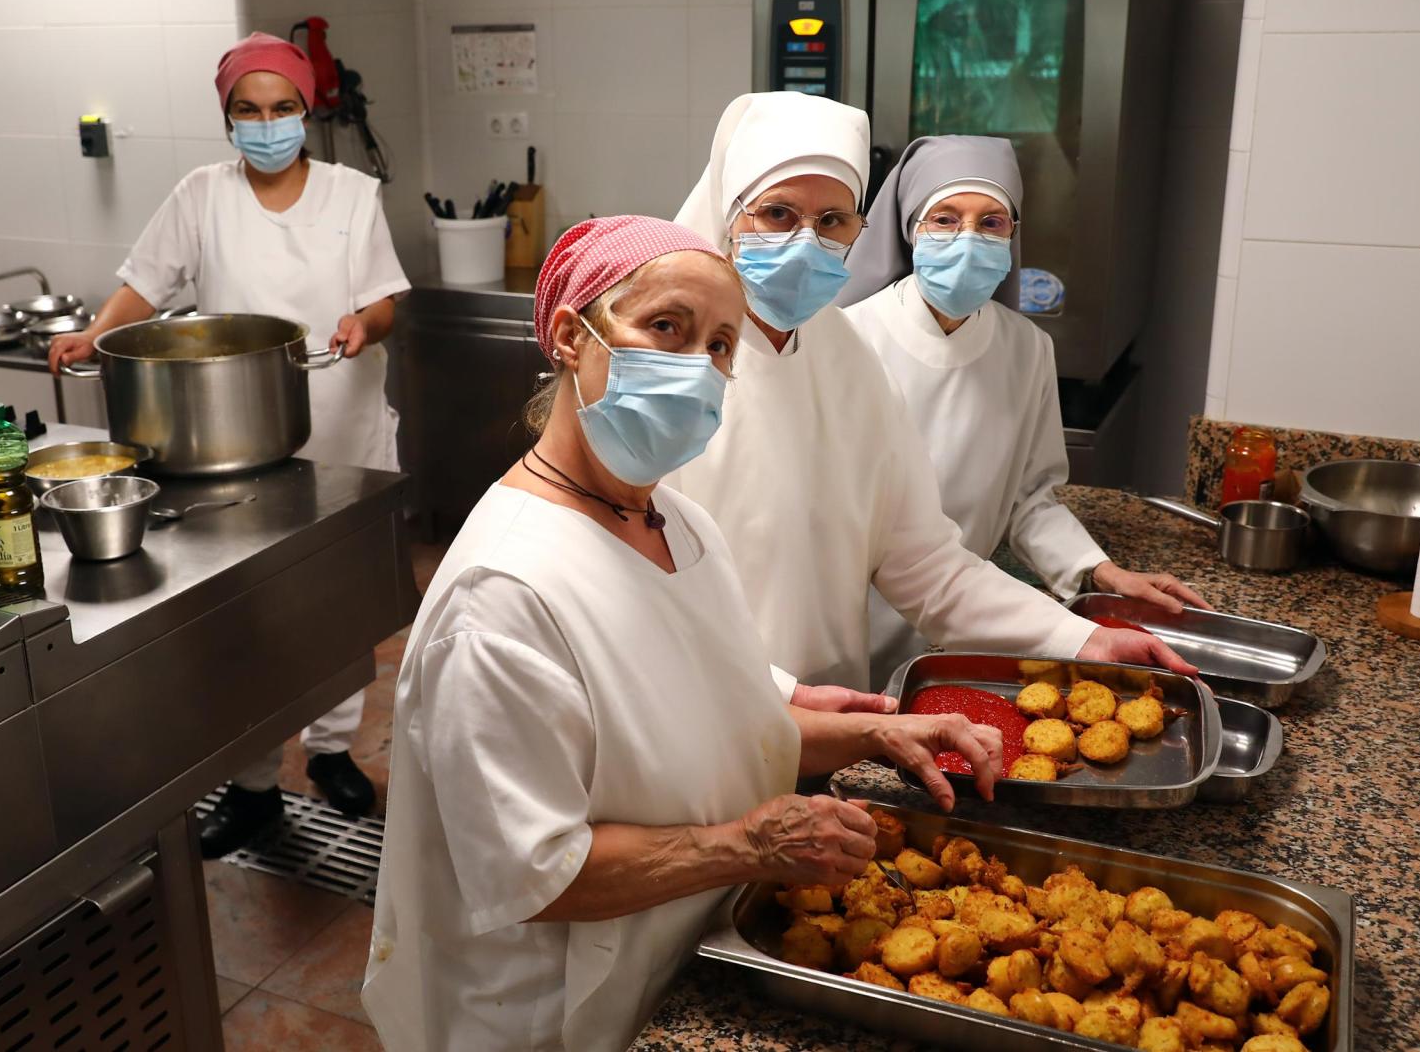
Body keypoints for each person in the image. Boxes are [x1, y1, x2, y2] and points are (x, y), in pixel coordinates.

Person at [362, 216, 1006, 1051]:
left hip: (675, 953)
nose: (696, 367)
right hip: (551, 1010)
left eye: (720, 345)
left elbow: (725, 726)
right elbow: (536, 872)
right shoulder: (501, 599)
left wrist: (876, 733)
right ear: (570, 335)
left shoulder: (679, 521)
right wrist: (751, 843)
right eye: (665, 327)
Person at [666, 93, 1193, 695]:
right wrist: (783, 700)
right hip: (711, 712)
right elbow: (643, 595)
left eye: (834, 220)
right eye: (778, 214)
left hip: (837, 714)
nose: (806, 242)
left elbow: (920, 560)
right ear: (727, 215)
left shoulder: (847, 359)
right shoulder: (672, 373)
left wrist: (1081, 638)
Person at [49, 32, 411, 851]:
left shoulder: (353, 193)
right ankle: (250, 787)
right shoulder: (201, 195)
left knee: (336, 607)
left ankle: (329, 752)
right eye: (248, 110)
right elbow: (147, 280)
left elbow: (386, 298)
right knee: (243, 620)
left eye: (282, 107)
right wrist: (94, 332)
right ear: (228, 119)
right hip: (230, 439)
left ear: (306, 110)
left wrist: (362, 322)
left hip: (340, 421)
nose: (267, 123)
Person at [836, 136, 1207, 678]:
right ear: (911, 227)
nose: (968, 239)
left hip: (971, 620)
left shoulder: (1027, 348)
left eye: (991, 222)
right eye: (944, 218)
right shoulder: (848, 340)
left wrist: (1101, 570)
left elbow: (1029, 499)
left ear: (1013, 235)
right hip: (850, 624)